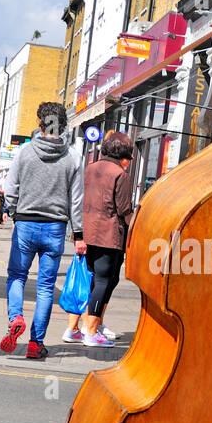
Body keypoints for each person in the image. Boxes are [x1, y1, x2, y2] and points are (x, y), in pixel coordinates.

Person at [0, 102, 85, 360]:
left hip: (25, 223)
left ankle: (16, 317)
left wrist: (13, 212)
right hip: (55, 227)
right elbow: (77, 199)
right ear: (63, 126)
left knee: (17, 276)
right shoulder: (74, 157)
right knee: (46, 287)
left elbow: (10, 188)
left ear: (40, 124)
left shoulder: (25, 152)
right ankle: (36, 344)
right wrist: (78, 232)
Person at [62, 132, 135, 347]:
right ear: (123, 155)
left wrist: (78, 234)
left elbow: (76, 201)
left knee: (86, 281)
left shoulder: (89, 169)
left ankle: (73, 329)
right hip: (107, 235)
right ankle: (91, 332)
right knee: (102, 282)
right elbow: (123, 210)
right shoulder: (120, 175)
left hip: (86, 233)